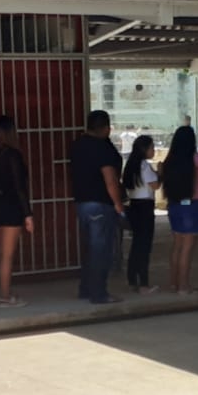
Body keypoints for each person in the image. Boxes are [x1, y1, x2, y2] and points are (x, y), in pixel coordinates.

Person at [70, 110, 125, 305]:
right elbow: (110, 178)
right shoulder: (102, 148)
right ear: (105, 128)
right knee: (101, 250)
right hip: (100, 203)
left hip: (82, 202)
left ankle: (86, 288)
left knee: (90, 249)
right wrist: (118, 203)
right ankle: (99, 293)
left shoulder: (78, 145)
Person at [0, 116, 33, 308]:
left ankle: (5, 289)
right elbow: (19, 186)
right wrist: (28, 214)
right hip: (10, 205)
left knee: (3, 252)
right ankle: (5, 295)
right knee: (7, 255)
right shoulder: (12, 155)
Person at [161, 126, 198, 294]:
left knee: (177, 245)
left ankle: (174, 282)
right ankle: (184, 285)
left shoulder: (170, 160)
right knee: (188, 247)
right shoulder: (196, 158)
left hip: (175, 203)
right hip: (192, 204)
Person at [122, 134, 162, 294]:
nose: (154, 150)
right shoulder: (144, 166)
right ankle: (144, 283)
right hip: (145, 206)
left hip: (134, 204)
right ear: (145, 149)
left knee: (136, 245)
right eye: (152, 147)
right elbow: (155, 185)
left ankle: (132, 279)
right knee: (144, 246)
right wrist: (160, 172)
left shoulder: (131, 165)